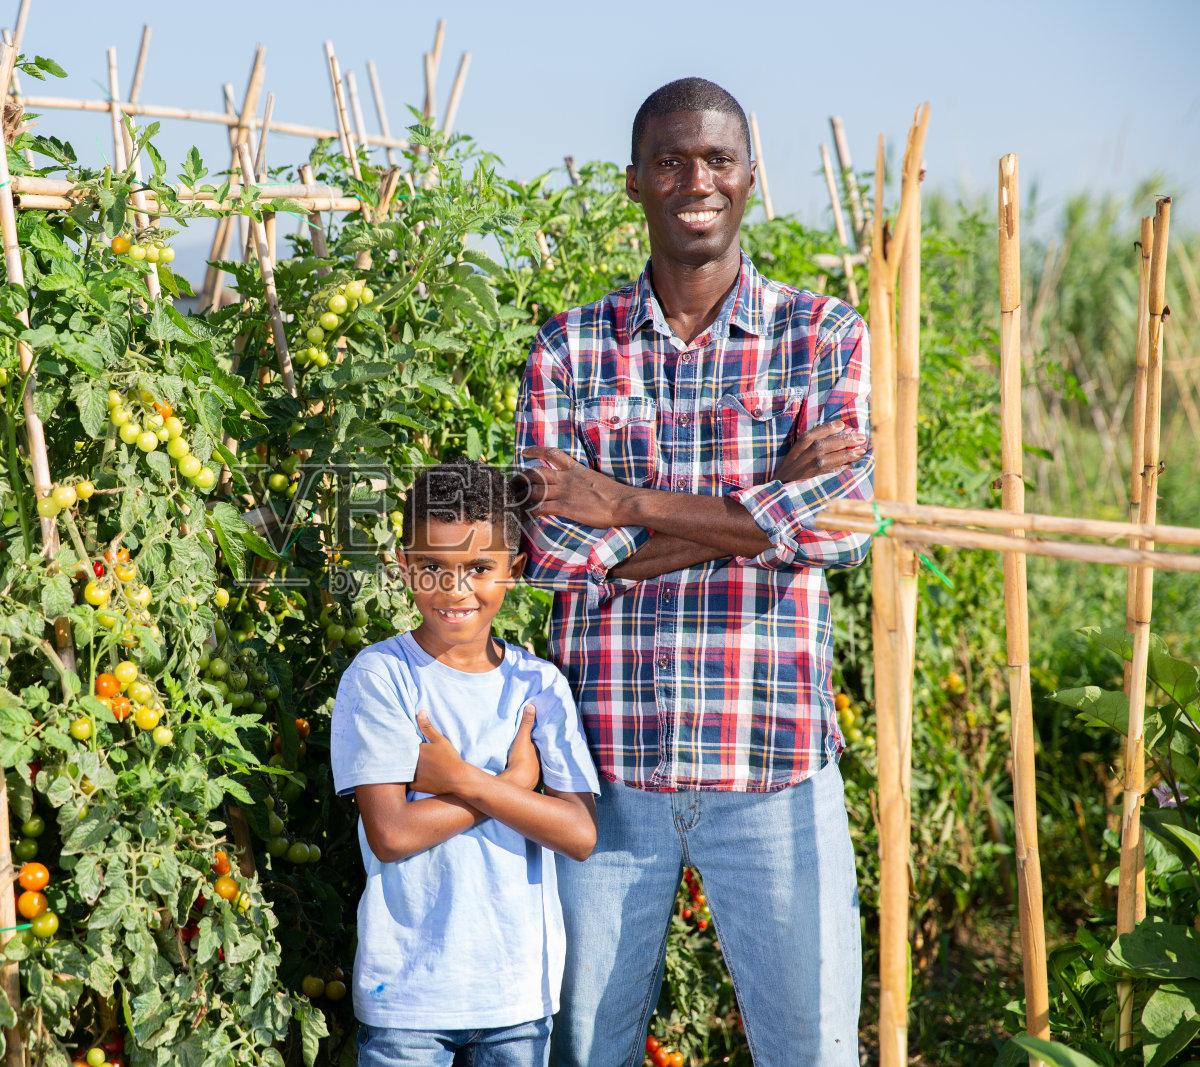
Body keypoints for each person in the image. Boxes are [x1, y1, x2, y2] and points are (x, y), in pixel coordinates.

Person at [513, 76, 874, 1066]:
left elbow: (837, 527)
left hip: (772, 759)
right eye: (670, 159)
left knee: (811, 1048)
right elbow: (552, 552)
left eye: (717, 158)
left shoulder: (822, 337)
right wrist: (762, 509)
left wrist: (622, 504)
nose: (694, 179)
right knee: (581, 1048)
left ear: (750, 177)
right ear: (633, 182)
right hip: (601, 770)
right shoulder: (566, 349)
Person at [331, 458, 602, 1067]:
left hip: (517, 996)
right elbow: (393, 834)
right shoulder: (381, 678)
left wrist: (462, 781)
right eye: (432, 568)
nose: (455, 590)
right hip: (406, 997)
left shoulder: (540, 685)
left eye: (479, 568)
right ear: (404, 567)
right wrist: (511, 788)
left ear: (515, 571)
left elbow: (579, 835)